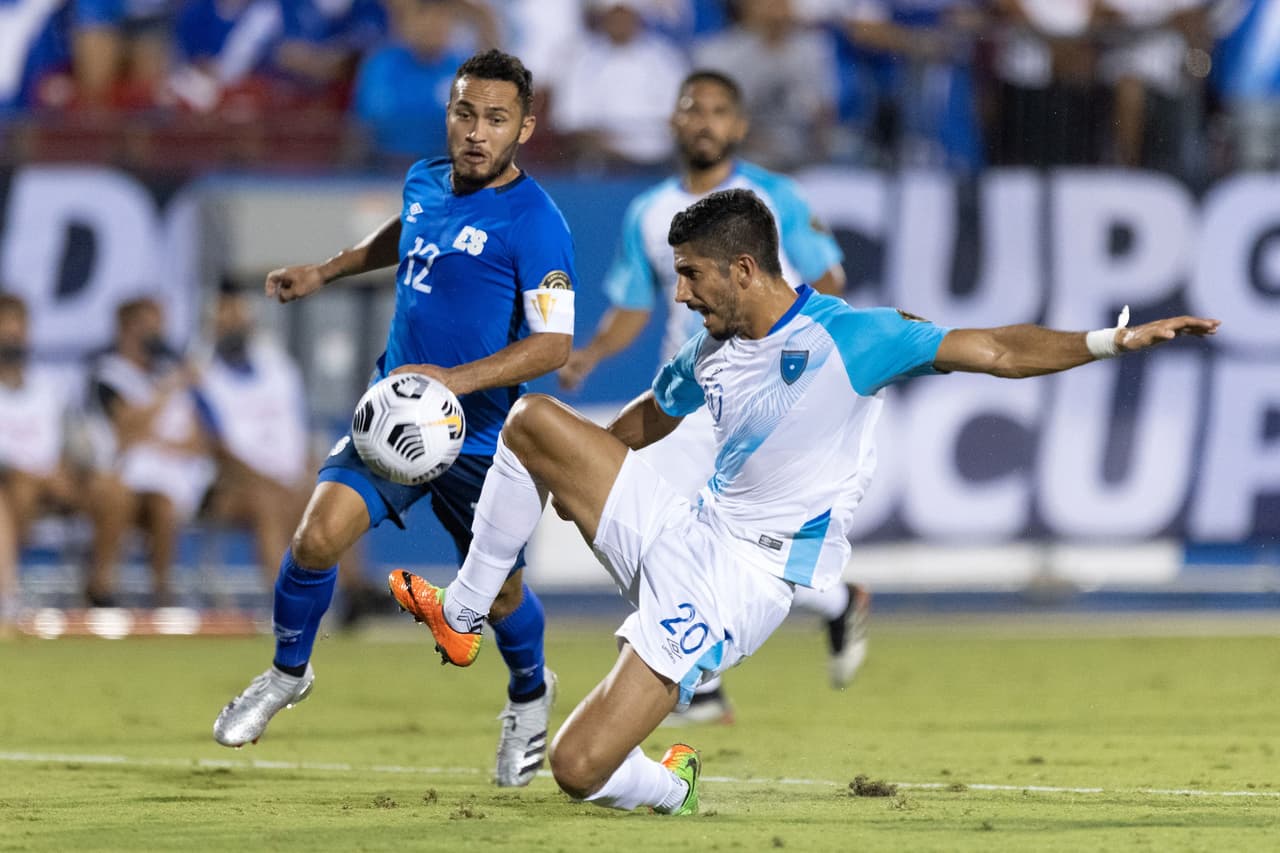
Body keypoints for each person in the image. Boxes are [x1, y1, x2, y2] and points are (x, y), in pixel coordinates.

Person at [391, 188, 1219, 815]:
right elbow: (652, 416)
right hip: (683, 522)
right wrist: (581, 473)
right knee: (535, 422)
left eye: (691, 275)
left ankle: (672, 786)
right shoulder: (711, 349)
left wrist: (1114, 340)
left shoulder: (854, 338)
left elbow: (999, 349)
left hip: (739, 581)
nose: (681, 295)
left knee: (578, 769)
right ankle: (463, 613)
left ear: (743, 269)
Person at [212, 50, 578, 789]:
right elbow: (406, 231)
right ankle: (286, 674)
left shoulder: (536, 221)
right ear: (449, 113)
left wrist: (454, 382)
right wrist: (326, 269)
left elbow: (554, 344)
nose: (476, 132)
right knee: (315, 538)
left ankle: (530, 695)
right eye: (465, 113)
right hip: (394, 417)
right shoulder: (424, 179)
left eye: (496, 119)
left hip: (481, 440)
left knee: (502, 596)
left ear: (525, 128)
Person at [556, 69, 865, 723]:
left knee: (752, 546)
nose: (704, 121)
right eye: (693, 108)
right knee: (654, 535)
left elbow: (830, 279)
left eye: (719, 110)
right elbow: (634, 305)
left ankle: (799, 619)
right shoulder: (648, 213)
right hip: (690, 398)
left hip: (766, 399)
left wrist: (805, 363)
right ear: (674, 120)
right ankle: (705, 671)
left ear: (740, 125)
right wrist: (593, 352)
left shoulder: (774, 199)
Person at [84, 297, 215, 607]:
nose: (154, 335)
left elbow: (199, 440)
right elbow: (125, 428)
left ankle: (162, 595)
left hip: (168, 476)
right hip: (115, 472)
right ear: (125, 330)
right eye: (146, 327)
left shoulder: (170, 374)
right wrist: (166, 391)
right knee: (117, 496)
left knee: (163, 505)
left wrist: (164, 442)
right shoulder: (108, 373)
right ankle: (100, 588)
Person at [0, 294, 77, 631]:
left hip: (54, 482)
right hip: (11, 483)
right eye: (5, 331)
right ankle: (7, 598)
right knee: (15, 491)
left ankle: (103, 594)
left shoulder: (49, 386)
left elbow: (73, 444)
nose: (12, 339)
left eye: (18, 330)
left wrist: (67, 468)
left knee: (110, 490)